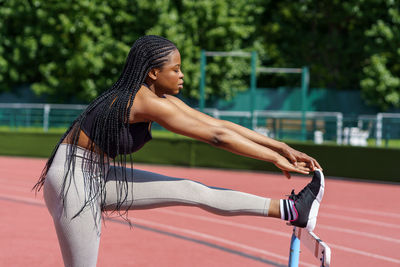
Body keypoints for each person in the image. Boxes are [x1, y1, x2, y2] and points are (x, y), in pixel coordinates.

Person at [34, 35, 325, 267]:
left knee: (190, 190)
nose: (182, 75)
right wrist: (274, 158)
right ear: (153, 72)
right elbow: (217, 137)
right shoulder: (144, 102)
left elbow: (218, 124)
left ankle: (292, 209)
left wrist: (280, 146)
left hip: (97, 174)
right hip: (73, 181)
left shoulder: (157, 98)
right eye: (175, 69)